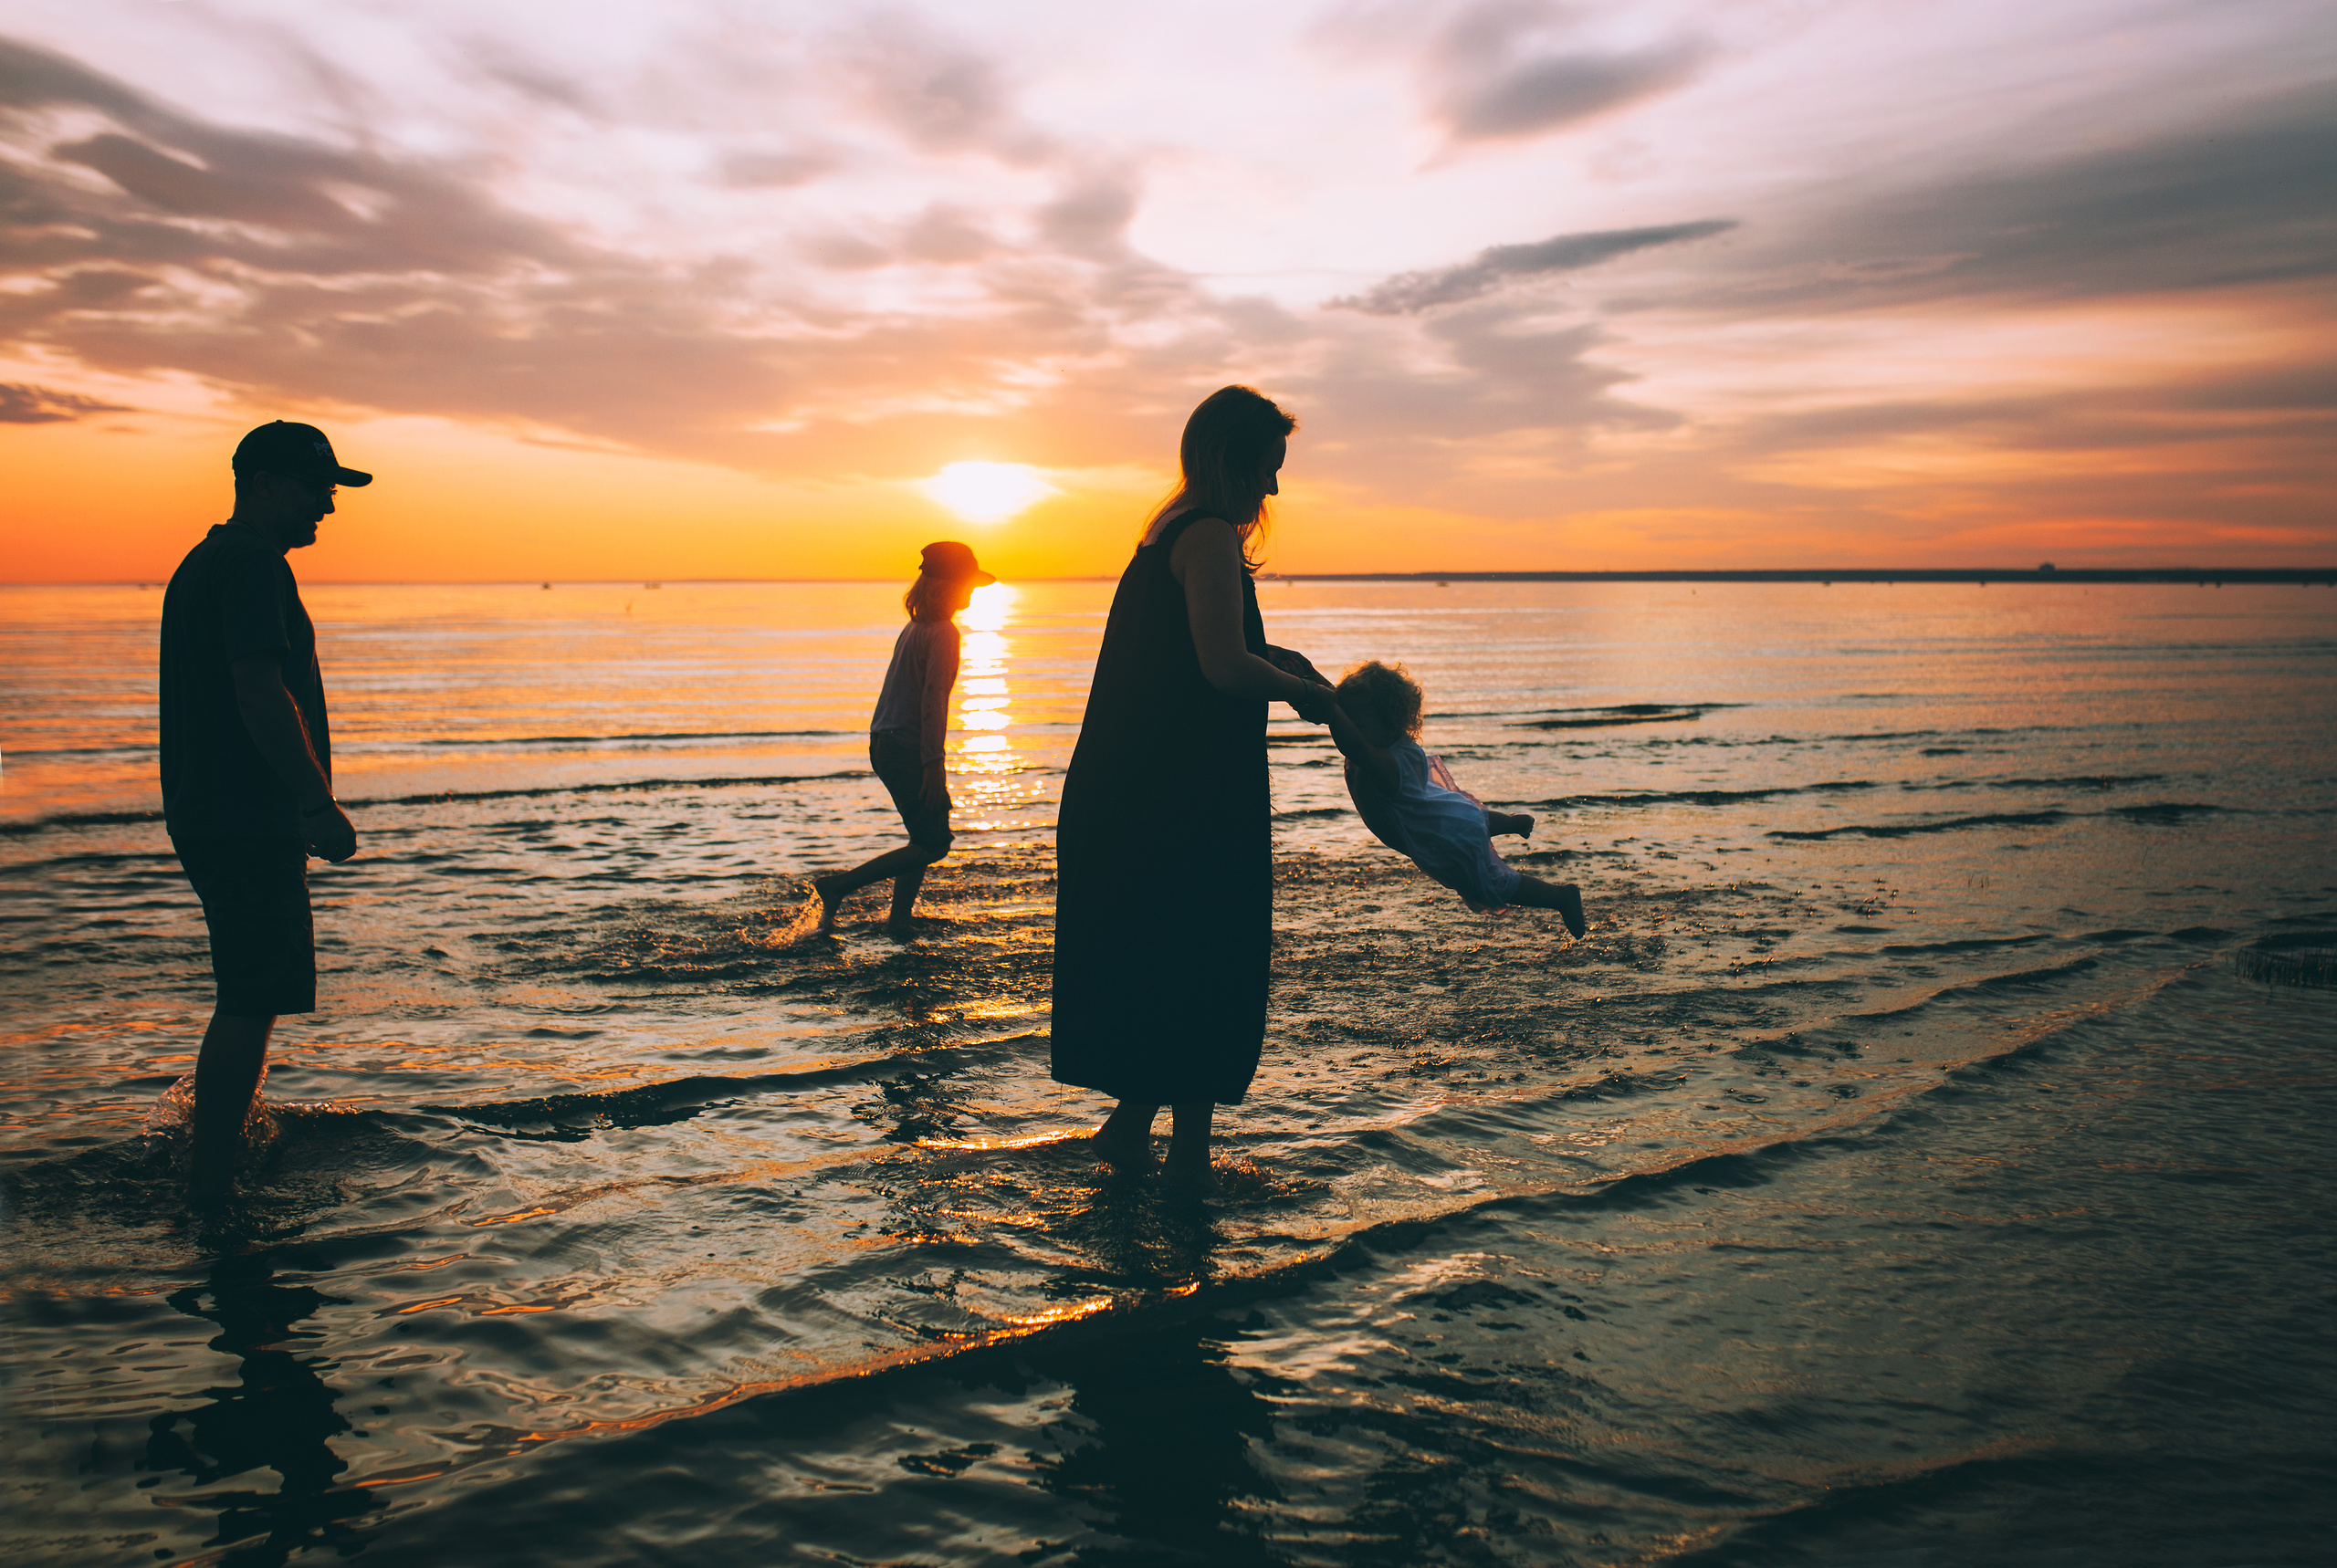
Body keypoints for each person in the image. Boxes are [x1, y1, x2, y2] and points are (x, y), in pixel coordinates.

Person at [1050, 385, 1337, 1186]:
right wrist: (1306, 695)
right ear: (1231, 461)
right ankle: (1188, 1165)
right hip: (1179, 800)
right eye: (1267, 469)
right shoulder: (1207, 535)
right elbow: (1221, 666)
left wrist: (1283, 662)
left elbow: (1205, 650)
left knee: (1167, 964)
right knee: (1206, 959)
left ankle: (1132, 1133)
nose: (1273, 488)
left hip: (1141, 790)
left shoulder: (1169, 531)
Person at [160, 420, 370, 1204]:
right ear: (266, 485)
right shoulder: (252, 565)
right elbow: (259, 691)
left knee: (250, 992)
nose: (328, 506)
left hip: (215, 811)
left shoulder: (209, 561)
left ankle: (216, 1160)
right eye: (318, 488)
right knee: (250, 998)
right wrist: (316, 803)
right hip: (244, 816)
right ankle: (211, 1188)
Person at [812, 540, 995, 937]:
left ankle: (898, 920)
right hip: (907, 748)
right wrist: (933, 766)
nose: (971, 592)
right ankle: (838, 886)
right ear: (949, 586)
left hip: (885, 742)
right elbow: (933, 702)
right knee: (934, 843)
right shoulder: (943, 633)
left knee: (921, 837)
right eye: (967, 584)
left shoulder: (916, 628)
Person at [1327, 660, 1588, 935]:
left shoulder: (1383, 763)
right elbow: (1340, 704)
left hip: (1445, 839)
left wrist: (1329, 709)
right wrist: (1314, 682)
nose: (1349, 725)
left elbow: (1351, 742)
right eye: (1348, 718)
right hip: (1449, 820)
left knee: (1491, 883)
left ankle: (1561, 897)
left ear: (1388, 725)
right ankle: (1513, 823)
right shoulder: (1377, 737)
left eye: (1357, 723)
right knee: (1472, 819)